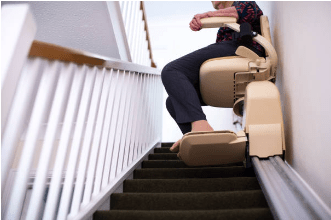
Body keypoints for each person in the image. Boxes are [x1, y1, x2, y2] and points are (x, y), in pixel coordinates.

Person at [161, 1, 265, 152]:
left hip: (243, 49)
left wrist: (207, 15)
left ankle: (202, 127)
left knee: (172, 70)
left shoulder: (247, 4)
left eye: (221, 5)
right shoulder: (224, 28)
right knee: (172, 101)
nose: (219, 9)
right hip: (230, 56)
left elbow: (238, 12)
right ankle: (201, 143)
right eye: (216, 8)